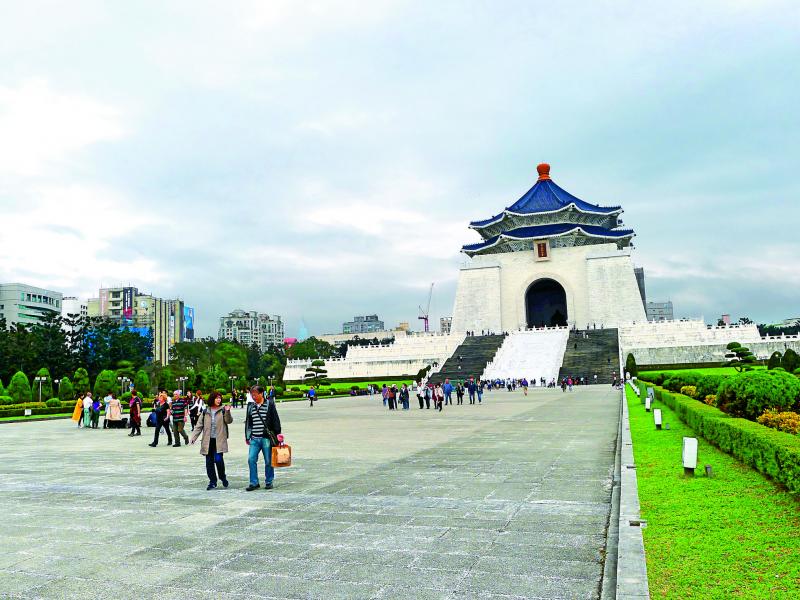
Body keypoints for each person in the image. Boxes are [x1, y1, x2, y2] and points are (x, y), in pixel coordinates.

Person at [191, 391, 233, 490]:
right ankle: (212, 481)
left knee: (218, 460)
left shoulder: (223, 410)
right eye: (217, 398)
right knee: (209, 462)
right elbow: (199, 426)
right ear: (212, 399)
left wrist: (227, 411)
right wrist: (193, 438)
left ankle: (222, 477)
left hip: (219, 440)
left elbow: (229, 421)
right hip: (208, 441)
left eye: (220, 398)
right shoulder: (206, 411)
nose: (219, 400)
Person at [245, 385, 281, 491]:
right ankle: (254, 482)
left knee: (268, 461)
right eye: (252, 395)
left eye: (255, 394)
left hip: (266, 438)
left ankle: (269, 481)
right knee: (251, 459)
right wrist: (247, 436)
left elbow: (276, 419)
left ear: (261, 394)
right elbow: (249, 422)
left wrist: (278, 434)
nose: (253, 397)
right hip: (254, 438)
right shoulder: (251, 406)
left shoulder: (269, 404)